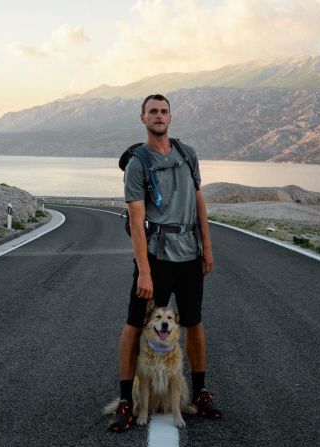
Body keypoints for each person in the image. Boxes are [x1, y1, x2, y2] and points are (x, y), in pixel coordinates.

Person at [108, 94, 222, 432]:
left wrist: (207, 245)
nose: (159, 116)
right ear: (142, 118)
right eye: (152, 111)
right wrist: (144, 270)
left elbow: (199, 199)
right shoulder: (137, 164)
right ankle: (127, 400)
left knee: (194, 324)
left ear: (171, 117)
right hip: (157, 256)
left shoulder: (188, 154)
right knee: (133, 323)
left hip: (189, 252)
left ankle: (200, 393)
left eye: (164, 111)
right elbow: (136, 218)